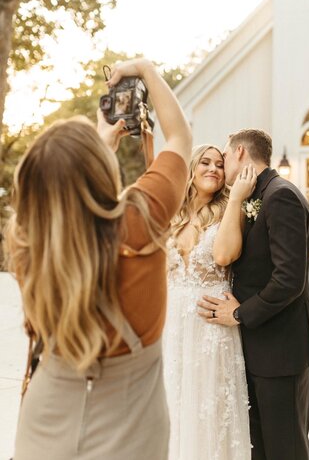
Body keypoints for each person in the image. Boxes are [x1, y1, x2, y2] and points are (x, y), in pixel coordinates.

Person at [6, 58, 192, 460]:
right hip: (130, 429)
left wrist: (95, 146)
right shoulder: (141, 220)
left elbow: (64, 205)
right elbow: (179, 137)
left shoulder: (26, 242)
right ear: (99, 169)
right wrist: (145, 69)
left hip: (43, 421)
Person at [198, 129, 309, 460]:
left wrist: (239, 314)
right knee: (261, 449)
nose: (222, 166)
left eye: (224, 157)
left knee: (286, 450)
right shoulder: (258, 194)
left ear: (240, 152)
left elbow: (289, 279)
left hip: (281, 351)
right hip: (258, 348)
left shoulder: (279, 196)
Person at [163, 144, 255, 460]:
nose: (213, 168)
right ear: (192, 168)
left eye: (219, 164)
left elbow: (224, 255)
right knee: (174, 405)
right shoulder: (172, 212)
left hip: (210, 326)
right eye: (205, 162)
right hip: (172, 324)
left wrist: (237, 198)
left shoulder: (230, 210)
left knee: (209, 410)